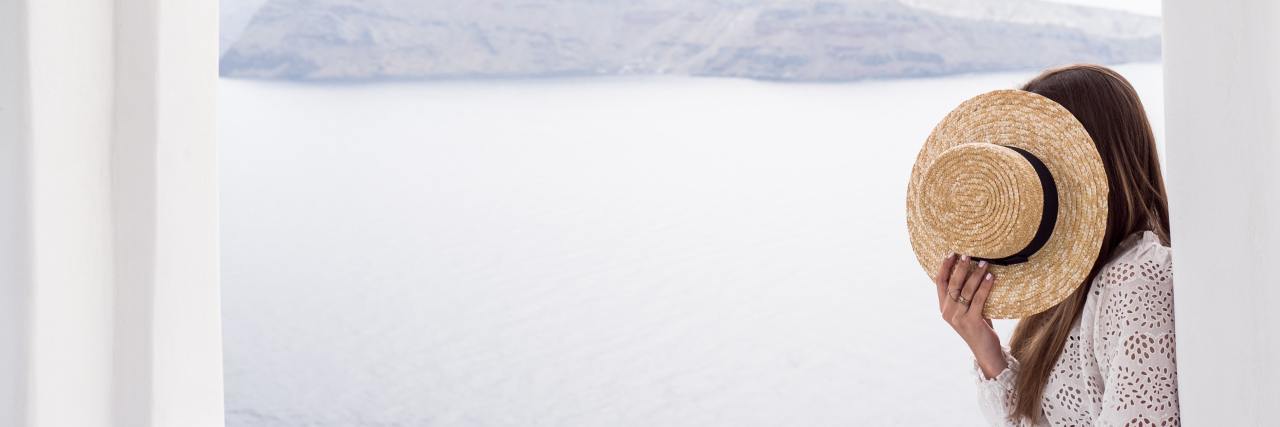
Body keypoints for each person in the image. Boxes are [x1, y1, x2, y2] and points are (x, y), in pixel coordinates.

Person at [933, 64, 1177, 426]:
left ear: (1094, 167)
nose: (1028, 190)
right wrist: (985, 350)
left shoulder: (1137, 277)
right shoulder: (1075, 285)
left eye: (1039, 166)